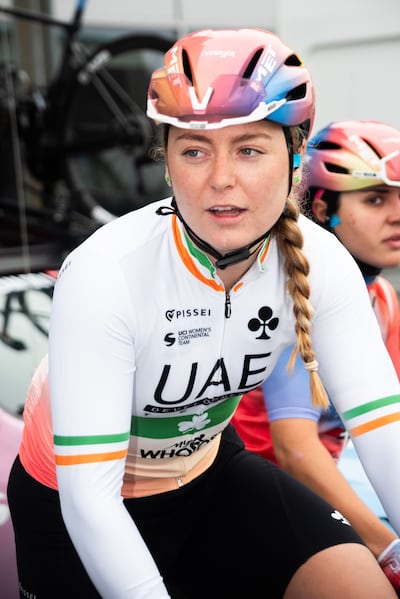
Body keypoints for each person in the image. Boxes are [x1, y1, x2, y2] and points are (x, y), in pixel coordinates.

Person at [6, 28, 400, 599]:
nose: (221, 178)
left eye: (249, 149)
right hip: (76, 508)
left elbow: (383, 429)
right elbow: (90, 498)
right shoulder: (105, 272)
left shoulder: (321, 263)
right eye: (194, 149)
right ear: (165, 163)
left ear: (294, 159)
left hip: (210, 478)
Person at [231, 118, 400, 567]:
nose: (398, 213)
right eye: (376, 198)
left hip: (324, 496)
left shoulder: (381, 296)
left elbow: (386, 423)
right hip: (262, 506)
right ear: (322, 210)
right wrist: (388, 549)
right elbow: (296, 451)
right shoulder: (288, 294)